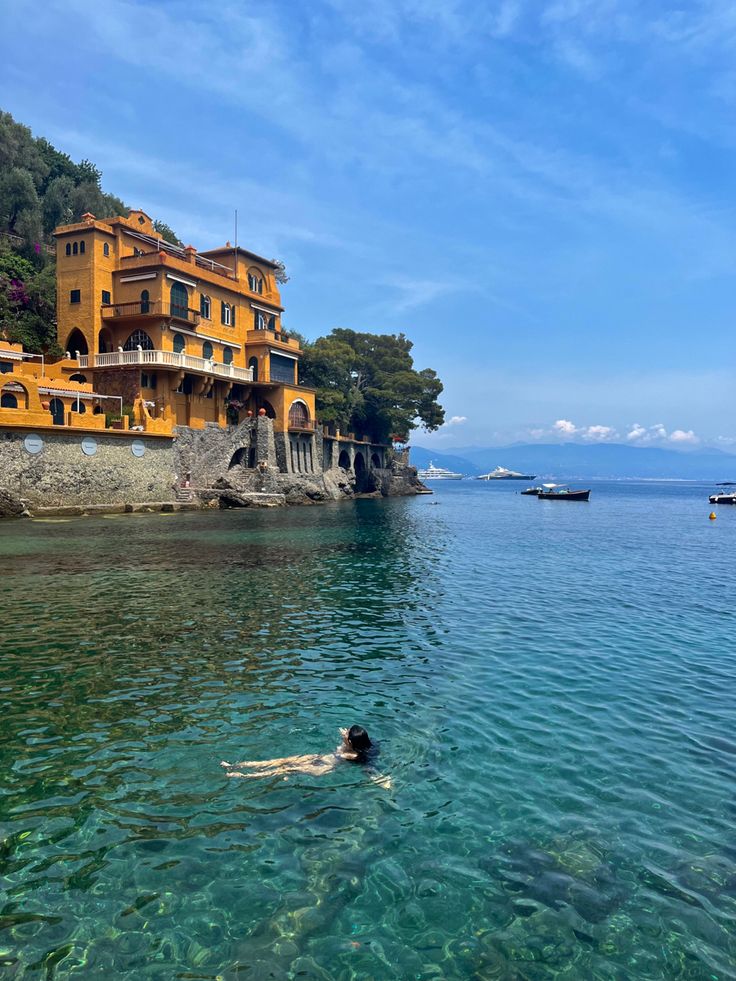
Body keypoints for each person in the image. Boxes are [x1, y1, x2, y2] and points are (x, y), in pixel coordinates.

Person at [221, 725, 390, 786]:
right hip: (319, 757)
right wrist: (345, 737)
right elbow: (350, 739)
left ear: (351, 743)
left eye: (347, 734)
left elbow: (370, 769)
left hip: (324, 767)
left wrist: (384, 781)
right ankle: (238, 765)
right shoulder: (358, 743)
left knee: (285, 769)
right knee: (282, 761)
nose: (344, 732)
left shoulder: (354, 756)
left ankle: (242, 776)